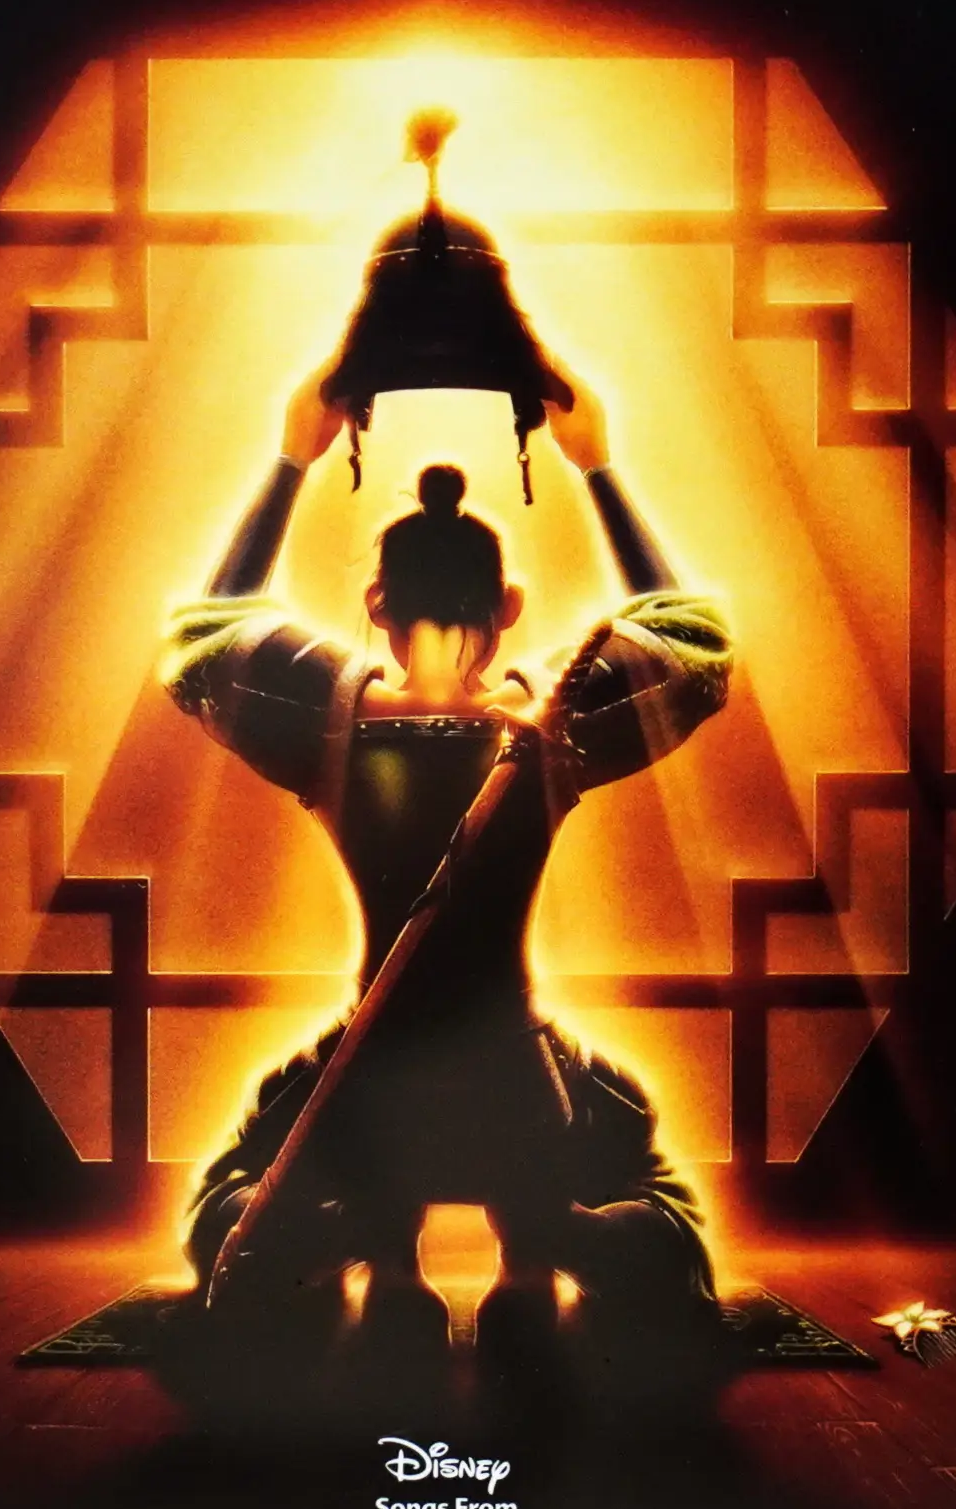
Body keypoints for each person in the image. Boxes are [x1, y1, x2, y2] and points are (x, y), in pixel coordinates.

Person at [158, 361, 732, 1396]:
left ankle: (379, 1265)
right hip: (521, 1081)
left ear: (374, 602)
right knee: (648, 1179)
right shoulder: (555, 725)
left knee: (231, 1200)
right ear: (509, 605)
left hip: (367, 1078)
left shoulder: (325, 722)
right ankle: (541, 1254)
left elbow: (200, 633)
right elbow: (697, 642)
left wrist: (293, 455)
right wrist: (597, 467)